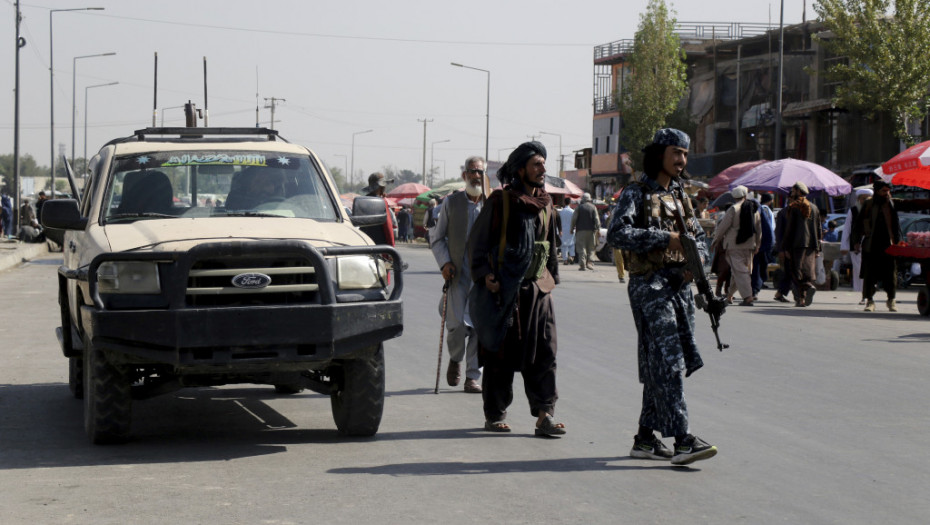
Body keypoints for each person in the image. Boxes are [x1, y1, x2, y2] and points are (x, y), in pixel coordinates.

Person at [607, 128, 717, 466]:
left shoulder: (682, 194)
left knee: (663, 362)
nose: (682, 160)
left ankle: (645, 438)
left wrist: (694, 263)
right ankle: (683, 440)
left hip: (679, 286)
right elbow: (617, 233)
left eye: (685, 154)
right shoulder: (637, 193)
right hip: (650, 285)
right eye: (676, 153)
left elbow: (698, 237)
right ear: (659, 155)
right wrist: (664, 239)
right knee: (670, 361)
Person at [467, 141, 564, 436]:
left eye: (544, 163)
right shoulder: (502, 202)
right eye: (537, 164)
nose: (543, 169)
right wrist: (484, 275)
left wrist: (551, 282)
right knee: (500, 357)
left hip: (538, 294)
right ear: (521, 169)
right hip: (505, 294)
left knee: (545, 353)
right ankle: (495, 414)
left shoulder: (548, 206)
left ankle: (545, 415)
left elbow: (552, 249)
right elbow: (477, 243)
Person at [429, 156, 487, 393]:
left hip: (482, 276)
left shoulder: (491, 204)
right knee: (457, 327)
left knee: (479, 328)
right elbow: (437, 238)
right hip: (457, 275)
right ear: (464, 175)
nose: (476, 176)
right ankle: (455, 359)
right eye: (472, 171)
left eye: (480, 172)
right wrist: (444, 263)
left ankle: (473, 376)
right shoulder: (451, 203)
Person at [850, 180, 930, 312]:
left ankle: (891, 300)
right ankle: (869, 301)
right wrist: (856, 242)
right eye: (883, 191)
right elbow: (857, 225)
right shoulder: (868, 205)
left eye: (888, 191)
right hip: (871, 245)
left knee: (890, 274)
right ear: (877, 192)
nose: (887, 193)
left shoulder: (892, 203)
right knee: (870, 275)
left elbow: (912, 204)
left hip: (890, 245)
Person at [712, 185, 761, 305]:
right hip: (749, 245)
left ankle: (748, 297)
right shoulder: (754, 209)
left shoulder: (733, 209)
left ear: (734, 197)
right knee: (738, 271)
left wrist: (715, 241)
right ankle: (729, 296)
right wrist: (758, 244)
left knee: (740, 271)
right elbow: (759, 229)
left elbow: (723, 227)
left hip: (734, 245)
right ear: (745, 195)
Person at [780, 182, 822, 307]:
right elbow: (819, 228)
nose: (791, 193)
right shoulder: (814, 207)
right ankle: (801, 299)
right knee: (807, 271)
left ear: (798, 191)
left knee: (796, 271)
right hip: (812, 244)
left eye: (793, 190)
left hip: (797, 244)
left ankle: (806, 289)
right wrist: (818, 247)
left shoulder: (795, 206)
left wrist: (785, 246)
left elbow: (790, 228)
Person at [841, 188, 872, 303]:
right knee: (859, 269)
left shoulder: (874, 210)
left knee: (869, 269)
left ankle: (868, 293)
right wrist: (844, 246)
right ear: (859, 199)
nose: (866, 200)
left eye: (868, 198)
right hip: (856, 245)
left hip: (870, 244)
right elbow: (847, 229)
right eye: (864, 198)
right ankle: (861, 293)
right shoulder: (853, 211)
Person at [751, 193, 776, 298]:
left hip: (762, 244)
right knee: (758, 267)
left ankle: (756, 287)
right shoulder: (762, 210)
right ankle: (755, 288)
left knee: (758, 267)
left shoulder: (761, 210)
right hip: (762, 244)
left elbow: (762, 229)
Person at [571, 192, 600, 271]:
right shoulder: (593, 207)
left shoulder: (579, 208)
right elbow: (597, 219)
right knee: (591, 247)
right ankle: (590, 263)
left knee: (581, 247)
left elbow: (574, 219)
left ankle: (582, 265)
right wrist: (598, 229)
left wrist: (571, 228)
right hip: (591, 231)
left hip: (580, 231)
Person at [557, 197, 575, 264]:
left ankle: (565, 260)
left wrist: (559, 230)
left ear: (564, 203)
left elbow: (558, 222)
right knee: (571, 244)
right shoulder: (572, 211)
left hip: (563, 230)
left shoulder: (561, 212)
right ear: (570, 203)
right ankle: (572, 257)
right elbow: (574, 221)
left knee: (564, 245)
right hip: (571, 230)